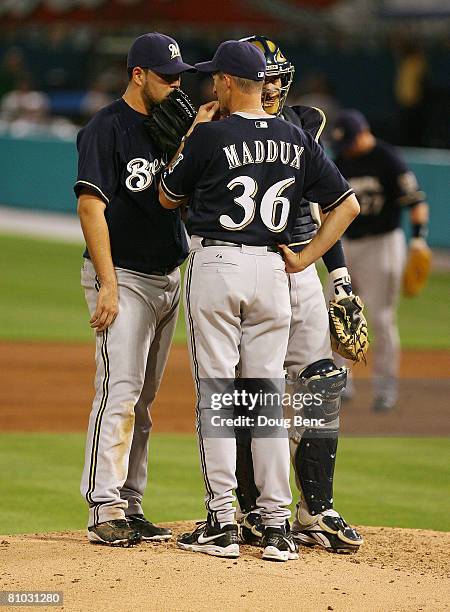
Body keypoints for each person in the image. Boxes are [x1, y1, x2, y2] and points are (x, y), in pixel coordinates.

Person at [159, 39, 359, 561]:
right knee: (265, 398)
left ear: (227, 81)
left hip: (225, 264)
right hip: (279, 267)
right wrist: (311, 258)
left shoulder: (219, 132)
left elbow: (167, 196)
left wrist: (336, 275)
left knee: (231, 394)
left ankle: (236, 518)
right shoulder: (297, 136)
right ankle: (274, 522)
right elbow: (346, 204)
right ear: (260, 81)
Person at [233, 35, 364, 553]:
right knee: (247, 393)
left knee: (320, 385)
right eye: (263, 77)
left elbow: (327, 206)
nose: (271, 87)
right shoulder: (220, 131)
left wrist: (342, 280)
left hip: (301, 270)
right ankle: (245, 508)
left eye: (276, 77)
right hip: (248, 266)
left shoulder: (302, 131)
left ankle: (317, 509)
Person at [75, 32, 194, 546]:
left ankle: (131, 503)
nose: (175, 85)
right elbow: (90, 206)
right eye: (166, 77)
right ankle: (104, 506)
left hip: (170, 273)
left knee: (143, 402)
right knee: (118, 392)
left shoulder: (176, 126)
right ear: (137, 74)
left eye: (179, 76)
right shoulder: (107, 128)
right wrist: (106, 283)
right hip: (123, 275)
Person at [330, 109, 429, 412]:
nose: (345, 148)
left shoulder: (388, 159)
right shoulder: (342, 159)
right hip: (348, 243)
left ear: (364, 132)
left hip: (382, 244)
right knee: (337, 312)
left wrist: (418, 239)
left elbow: (416, 202)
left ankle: (385, 386)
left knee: (382, 318)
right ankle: (341, 379)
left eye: (349, 142)